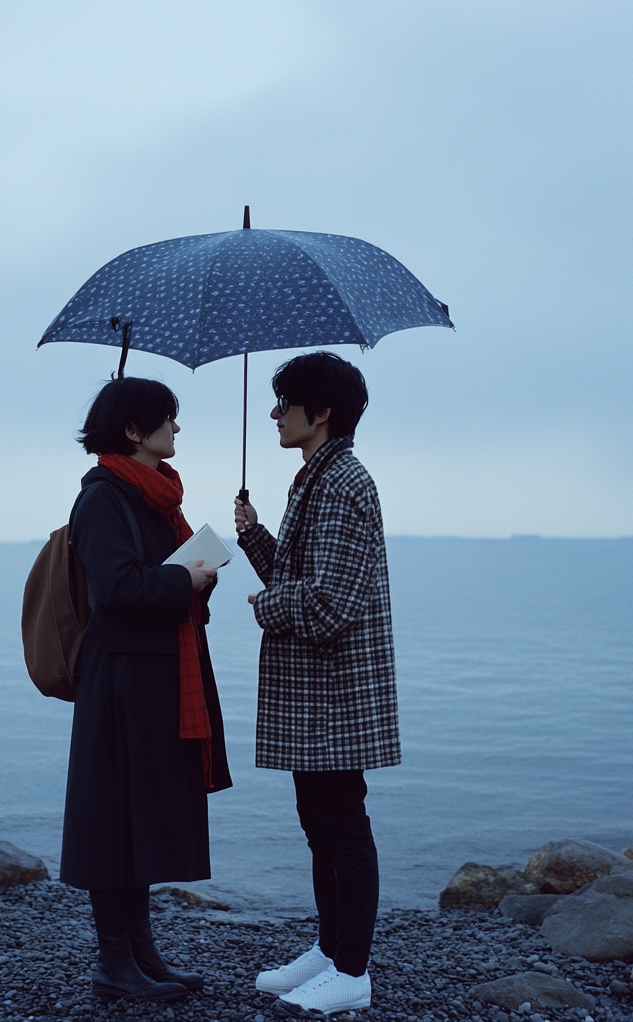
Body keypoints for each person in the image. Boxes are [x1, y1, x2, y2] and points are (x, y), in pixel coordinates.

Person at [234, 351, 399, 1017]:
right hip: (317, 691)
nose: (274, 413)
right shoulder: (316, 478)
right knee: (320, 823)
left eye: (285, 402)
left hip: (334, 692)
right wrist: (254, 540)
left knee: (341, 827)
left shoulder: (340, 485)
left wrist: (264, 607)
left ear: (322, 412)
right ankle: (330, 952)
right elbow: (303, 575)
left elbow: (330, 603)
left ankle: (352, 972)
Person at [61, 376, 232, 1004]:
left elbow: (154, 579)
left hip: (154, 673)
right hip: (123, 682)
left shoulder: (150, 496)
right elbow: (118, 591)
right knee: (114, 820)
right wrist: (186, 580)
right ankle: (114, 963)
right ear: (134, 430)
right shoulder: (105, 496)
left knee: (138, 818)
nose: (177, 428)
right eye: (168, 418)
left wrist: (196, 576)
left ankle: (139, 953)